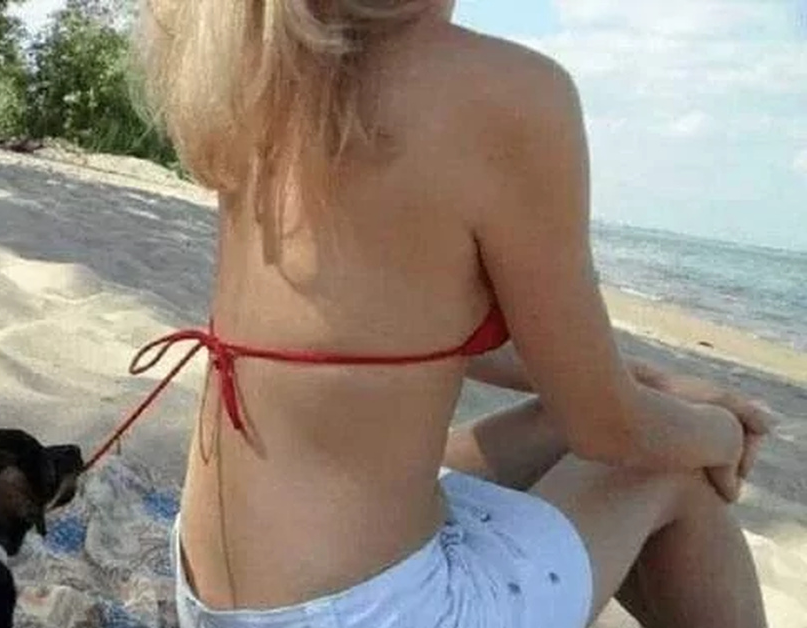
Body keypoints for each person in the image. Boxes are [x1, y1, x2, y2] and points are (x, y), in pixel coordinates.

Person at [129, 0, 771, 626]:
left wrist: (652, 384)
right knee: (674, 474)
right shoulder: (509, 91)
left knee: (571, 424)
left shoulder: (273, 66)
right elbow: (606, 429)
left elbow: (391, 328)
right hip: (365, 612)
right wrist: (722, 435)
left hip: (215, 592)